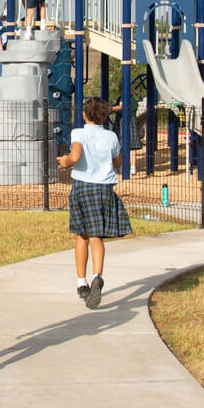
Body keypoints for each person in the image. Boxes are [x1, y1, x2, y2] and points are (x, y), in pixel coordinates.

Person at [57, 97, 131, 310]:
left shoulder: (78, 133)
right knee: (97, 236)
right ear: (104, 116)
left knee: (81, 234)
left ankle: (82, 283)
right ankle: (97, 275)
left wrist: (63, 161)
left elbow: (75, 156)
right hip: (104, 188)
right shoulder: (111, 136)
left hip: (83, 186)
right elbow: (117, 161)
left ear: (84, 114)